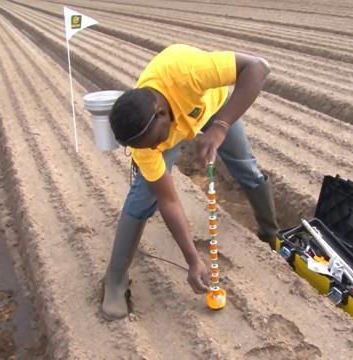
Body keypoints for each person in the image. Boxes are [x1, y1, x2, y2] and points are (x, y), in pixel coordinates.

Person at [102, 44, 279, 321]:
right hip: (176, 123)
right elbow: (168, 199)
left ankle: (270, 234)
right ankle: (114, 280)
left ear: (161, 113)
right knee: (142, 197)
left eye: (156, 141)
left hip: (211, 107)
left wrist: (220, 127)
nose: (156, 147)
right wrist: (192, 259)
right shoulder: (144, 143)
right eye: (150, 147)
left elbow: (258, 67)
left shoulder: (187, 70)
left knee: (246, 168)